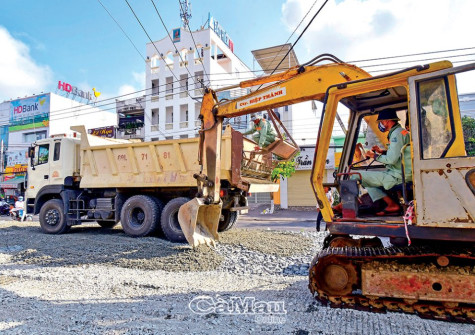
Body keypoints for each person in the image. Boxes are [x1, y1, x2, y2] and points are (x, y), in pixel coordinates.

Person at [334, 108, 412, 215]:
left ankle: (346, 208)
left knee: (355, 175)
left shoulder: (396, 135)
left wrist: (374, 156)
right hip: (401, 173)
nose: (381, 124)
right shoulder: (401, 132)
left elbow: (392, 160)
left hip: (397, 176)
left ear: (387, 121)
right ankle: (391, 204)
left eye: (381, 122)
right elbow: (399, 153)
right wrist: (382, 152)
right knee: (367, 180)